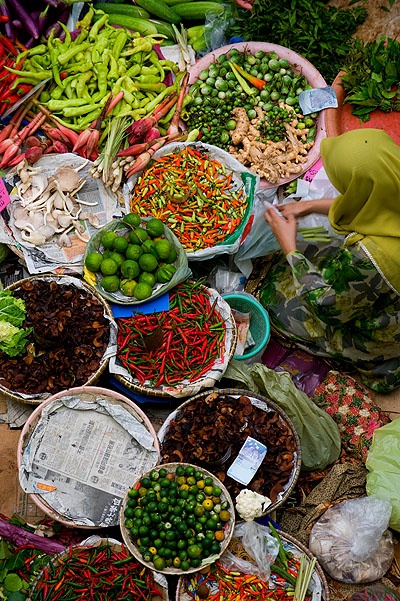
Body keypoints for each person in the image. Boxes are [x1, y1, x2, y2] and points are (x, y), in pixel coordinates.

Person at [260, 128, 400, 393]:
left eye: (345, 187)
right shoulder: (393, 179)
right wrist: (311, 206)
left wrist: (289, 247)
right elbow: (369, 201)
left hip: (388, 326)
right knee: (320, 247)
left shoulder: (374, 256)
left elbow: (329, 306)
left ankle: (382, 361)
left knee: (277, 302)